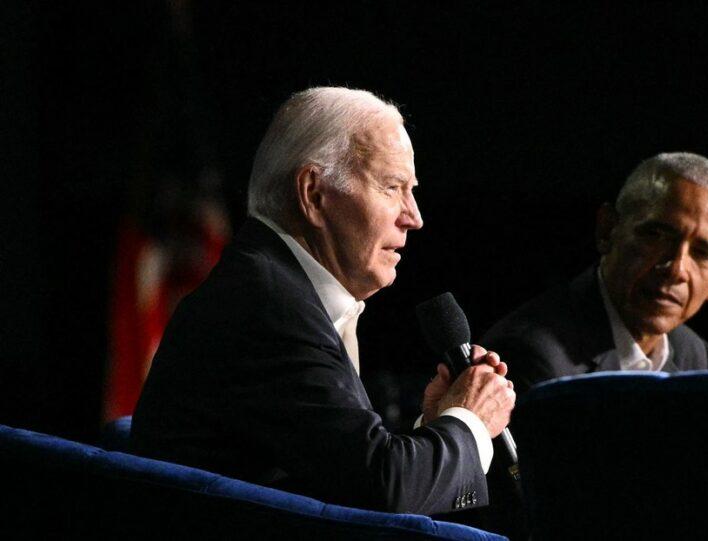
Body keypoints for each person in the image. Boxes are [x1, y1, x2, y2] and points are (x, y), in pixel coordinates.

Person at [131, 87, 516, 516]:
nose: (414, 217)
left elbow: (339, 474)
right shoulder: (266, 308)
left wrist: (439, 425)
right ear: (314, 194)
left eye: (412, 190)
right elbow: (380, 490)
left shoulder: (281, 290)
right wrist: (470, 421)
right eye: (392, 187)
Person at [483, 152, 708, 395]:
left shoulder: (694, 355)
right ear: (607, 231)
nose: (676, 269)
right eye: (656, 236)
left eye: (702, 254)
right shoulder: (531, 354)